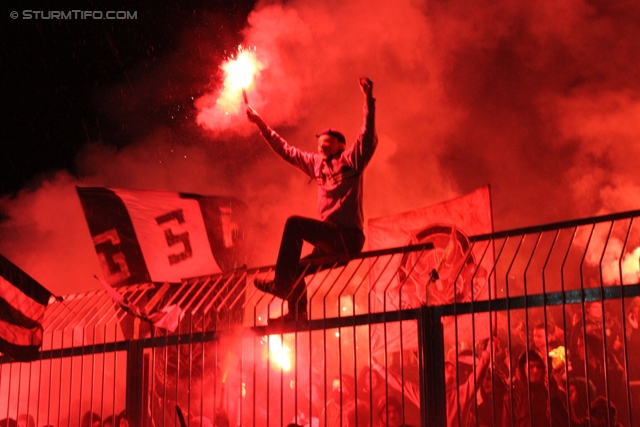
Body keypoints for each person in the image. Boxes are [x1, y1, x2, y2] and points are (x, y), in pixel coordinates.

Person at [246, 77, 378, 323]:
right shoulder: (316, 164)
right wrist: (259, 123)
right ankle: (298, 315)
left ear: (340, 144)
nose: (321, 145)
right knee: (295, 269)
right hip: (330, 240)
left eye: (327, 142)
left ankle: (281, 284)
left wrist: (368, 100)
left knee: (295, 224)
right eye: (319, 142)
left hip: (346, 237)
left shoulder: (351, 160)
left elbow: (367, 136)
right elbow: (285, 150)